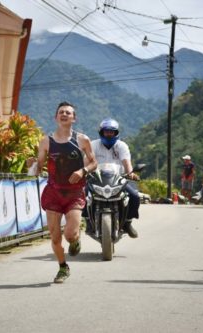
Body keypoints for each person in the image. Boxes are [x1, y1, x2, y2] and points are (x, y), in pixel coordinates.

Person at [35, 101, 97, 284]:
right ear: (56, 117)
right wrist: (33, 165)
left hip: (74, 193)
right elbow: (38, 167)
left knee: (70, 234)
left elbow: (93, 163)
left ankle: (75, 240)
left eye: (68, 113)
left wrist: (82, 171)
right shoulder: (46, 141)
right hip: (53, 193)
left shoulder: (82, 140)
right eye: (61, 112)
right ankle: (63, 267)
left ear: (74, 118)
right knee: (55, 236)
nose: (64, 114)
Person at [90, 118, 140, 237]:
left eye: (111, 132)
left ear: (116, 133)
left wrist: (130, 173)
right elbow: (88, 160)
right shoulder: (94, 144)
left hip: (118, 179)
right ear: (101, 132)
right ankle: (87, 220)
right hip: (97, 179)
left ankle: (128, 222)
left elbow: (126, 162)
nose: (109, 134)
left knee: (135, 196)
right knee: (83, 195)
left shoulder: (121, 146)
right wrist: (85, 171)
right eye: (106, 131)